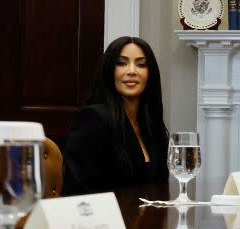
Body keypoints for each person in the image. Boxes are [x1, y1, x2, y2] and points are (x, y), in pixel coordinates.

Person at [63, 36, 169, 195]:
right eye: (121, 63)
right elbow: (80, 192)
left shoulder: (151, 126)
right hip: (103, 218)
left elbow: (160, 189)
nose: (131, 71)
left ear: (150, 74)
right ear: (109, 70)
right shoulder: (93, 118)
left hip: (148, 218)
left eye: (141, 64)